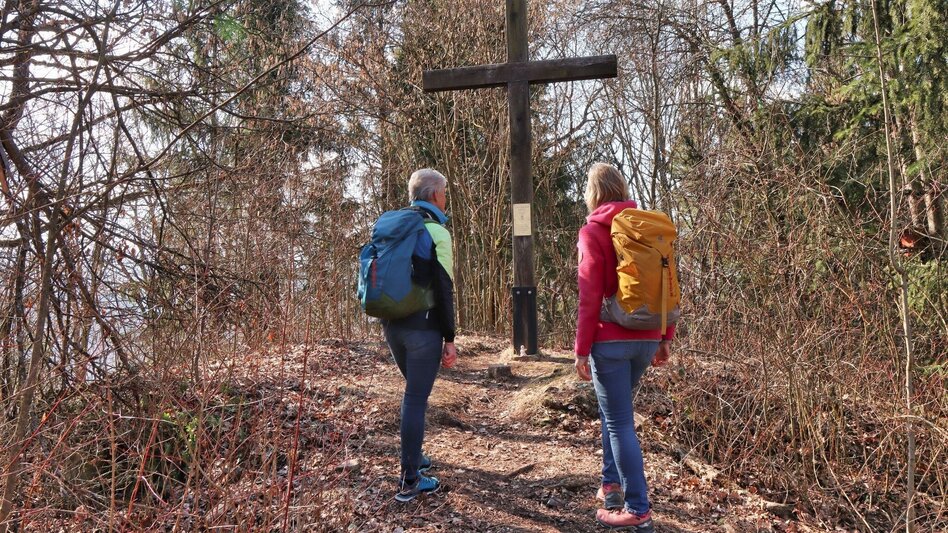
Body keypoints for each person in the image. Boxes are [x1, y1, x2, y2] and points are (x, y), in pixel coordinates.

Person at [574, 163, 674, 531]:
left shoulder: (593, 231)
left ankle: (637, 509)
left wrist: (581, 348)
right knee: (614, 411)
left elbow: (588, 295)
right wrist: (665, 337)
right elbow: (668, 285)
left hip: (610, 339)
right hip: (646, 338)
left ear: (593, 193)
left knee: (618, 421)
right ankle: (610, 485)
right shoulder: (648, 228)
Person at [381, 168, 458, 502]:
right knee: (415, 399)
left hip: (392, 325)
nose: (445, 197)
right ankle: (410, 480)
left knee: (413, 394)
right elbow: (444, 287)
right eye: (444, 192)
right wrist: (450, 337)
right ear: (434, 195)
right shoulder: (436, 232)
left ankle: (415, 457)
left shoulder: (394, 226)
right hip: (423, 330)